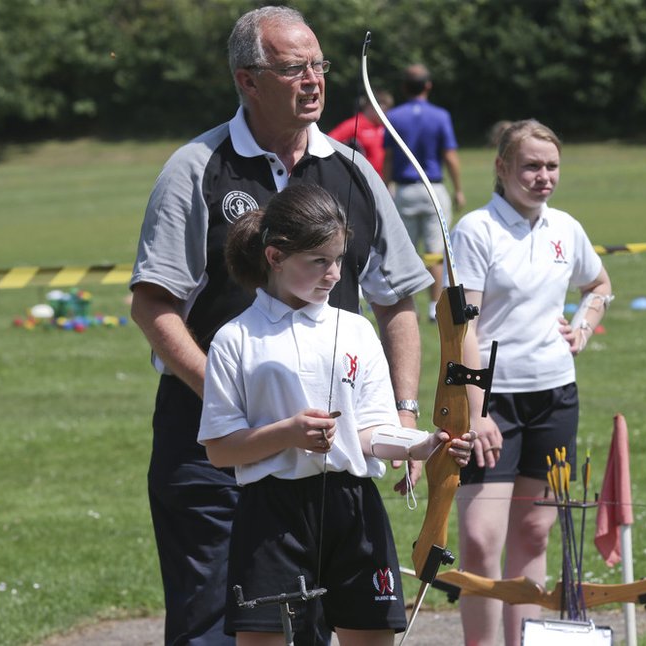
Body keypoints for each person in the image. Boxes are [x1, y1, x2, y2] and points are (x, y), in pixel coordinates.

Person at [129, 7, 432, 645]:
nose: (313, 81)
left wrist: (402, 417)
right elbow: (154, 305)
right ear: (248, 80)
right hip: (209, 446)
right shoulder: (196, 167)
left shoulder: (353, 171)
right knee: (214, 623)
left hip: (323, 456)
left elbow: (397, 300)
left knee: (315, 624)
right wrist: (228, 399)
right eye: (294, 69)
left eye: (318, 66)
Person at [198, 184, 476, 645]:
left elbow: (370, 432)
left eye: (339, 260)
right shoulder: (236, 339)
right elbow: (219, 450)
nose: (333, 274)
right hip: (272, 517)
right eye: (318, 262)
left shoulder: (357, 330)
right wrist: (288, 433)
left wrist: (425, 446)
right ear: (274, 257)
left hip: (353, 510)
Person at [449, 120, 613, 646]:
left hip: (555, 397)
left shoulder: (566, 227)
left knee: (535, 530)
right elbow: (462, 328)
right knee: (479, 540)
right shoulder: (476, 230)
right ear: (501, 168)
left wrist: (584, 324)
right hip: (492, 402)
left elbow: (600, 283)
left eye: (551, 167)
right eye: (531, 166)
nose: (543, 177)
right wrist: (476, 414)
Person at [384, 63, 466, 322]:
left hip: (405, 191)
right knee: (436, 252)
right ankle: (434, 307)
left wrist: (386, 187)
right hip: (433, 189)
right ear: (428, 85)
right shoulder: (441, 115)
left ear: (404, 87)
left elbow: (388, 158)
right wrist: (459, 189)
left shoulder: (394, 116)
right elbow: (450, 157)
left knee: (404, 252)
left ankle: (410, 307)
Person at [326, 90, 394, 178]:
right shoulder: (354, 125)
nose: (386, 114)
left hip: (382, 180)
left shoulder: (384, 127)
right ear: (371, 106)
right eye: (383, 110)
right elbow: (329, 142)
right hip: (360, 178)